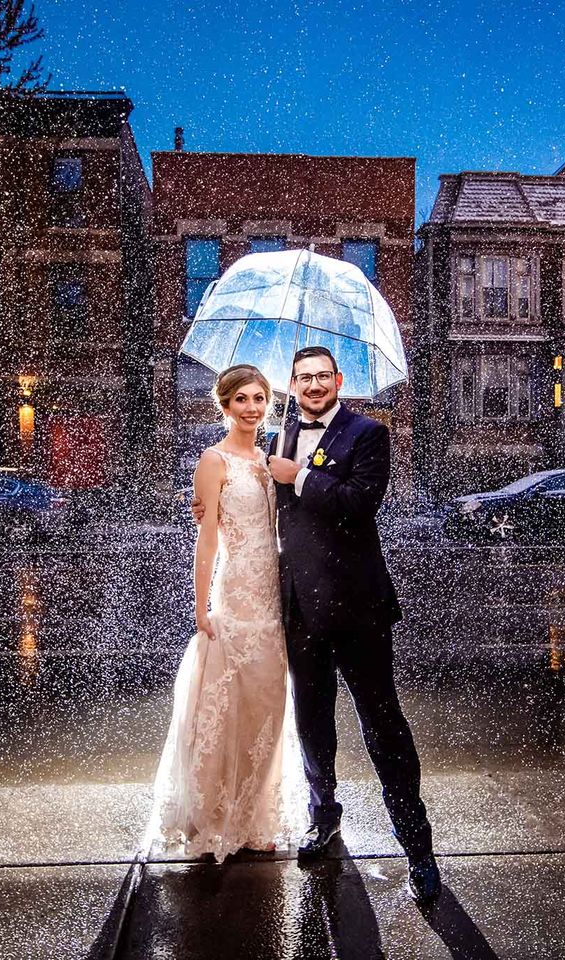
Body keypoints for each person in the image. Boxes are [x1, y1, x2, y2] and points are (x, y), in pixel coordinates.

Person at [194, 345, 440, 906]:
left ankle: (418, 847)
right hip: (298, 612)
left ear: (338, 379)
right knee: (311, 723)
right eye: (303, 378)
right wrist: (211, 506)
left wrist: (300, 474)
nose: (312, 385)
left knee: (384, 726)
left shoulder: (367, 434)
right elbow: (255, 509)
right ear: (294, 383)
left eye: (321, 377)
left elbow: (358, 503)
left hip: (359, 612)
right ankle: (322, 815)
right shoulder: (276, 438)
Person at [150, 364, 289, 860]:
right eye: (242, 400)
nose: (252, 408)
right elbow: (206, 536)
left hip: (275, 593)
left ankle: (255, 816)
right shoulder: (214, 461)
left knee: (268, 704)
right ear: (225, 405)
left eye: (259, 399)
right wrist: (200, 603)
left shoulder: (271, 457)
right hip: (237, 595)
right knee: (228, 703)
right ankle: (217, 816)